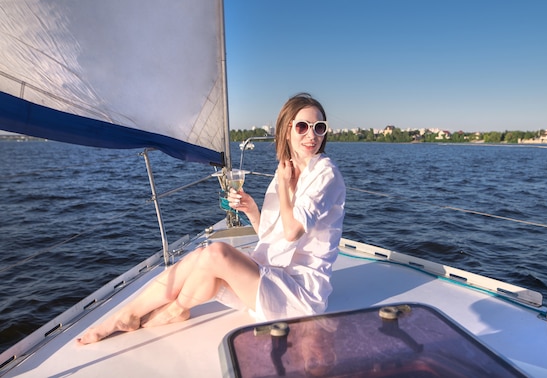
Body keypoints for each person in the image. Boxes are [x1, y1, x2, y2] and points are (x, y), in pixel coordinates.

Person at [77, 93, 346, 344]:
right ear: (287, 130)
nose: (312, 135)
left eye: (318, 127)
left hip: (299, 294)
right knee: (200, 256)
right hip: (272, 272)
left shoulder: (325, 174)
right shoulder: (285, 170)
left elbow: (292, 232)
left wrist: (286, 190)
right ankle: (131, 314)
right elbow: (272, 238)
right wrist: (252, 209)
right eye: (303, 127)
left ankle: (172, 310)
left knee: (216, 254)